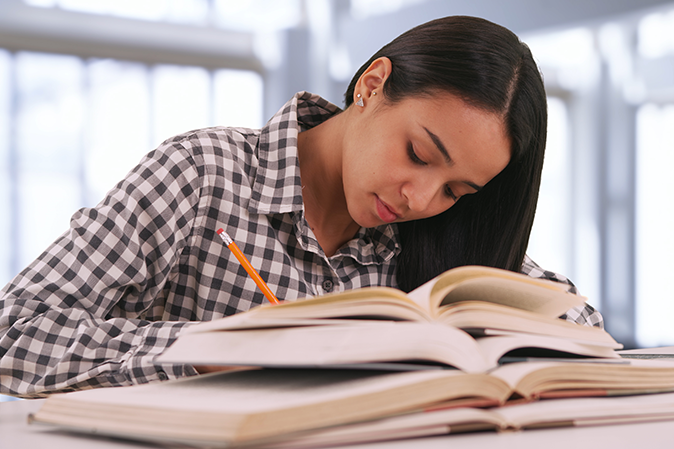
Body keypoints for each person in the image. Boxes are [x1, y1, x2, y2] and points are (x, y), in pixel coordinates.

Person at [0, 16, 602, 398]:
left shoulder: (438, 241)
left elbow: (580, 326)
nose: (420, 198)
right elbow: (14, 334)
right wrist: (218, 348)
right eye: (419, 154)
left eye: (455, 191)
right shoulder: (203, 175)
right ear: (371, 86)